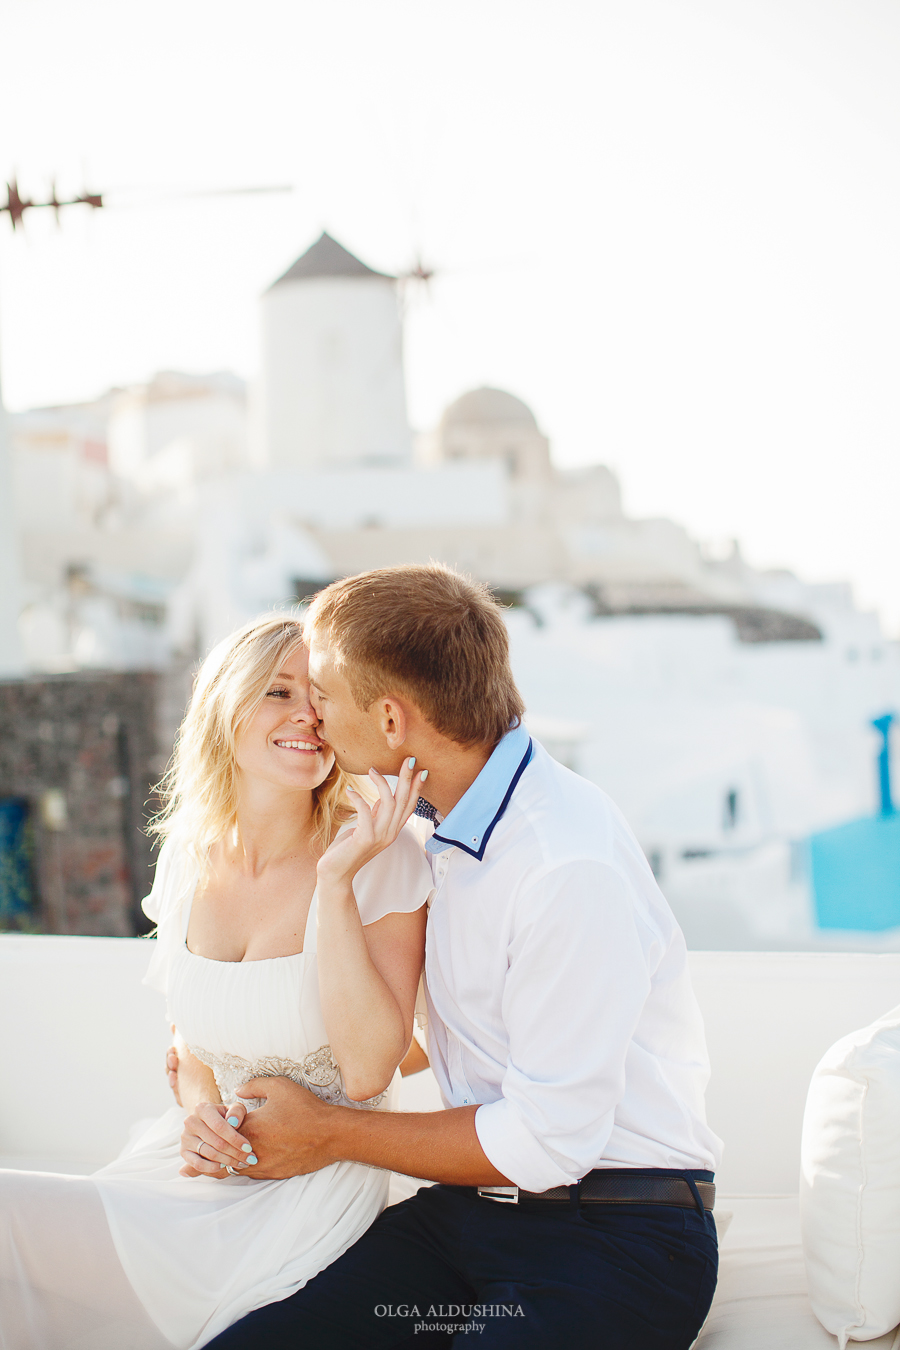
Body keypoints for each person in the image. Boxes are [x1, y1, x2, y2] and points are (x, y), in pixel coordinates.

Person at [197, 563, 723, 1350]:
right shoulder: (435, 825)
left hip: (620, 1237)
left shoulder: (561, 865)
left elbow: (549, 1141)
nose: (313, 714)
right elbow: (431, 1033)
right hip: (469, 1218)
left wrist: (328, 1130)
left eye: (325, 695)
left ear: (390, 719)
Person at [0, 613, 432, 1350]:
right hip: (197, 1168)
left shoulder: (380, 857)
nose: (307, 715)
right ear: (224, 712)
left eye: (321, 697)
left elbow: (368, 1073)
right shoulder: (189, 861)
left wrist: (334, 885)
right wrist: (201, 1111)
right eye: (278, 691)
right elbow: (191, 1036)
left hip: (302, 1199)